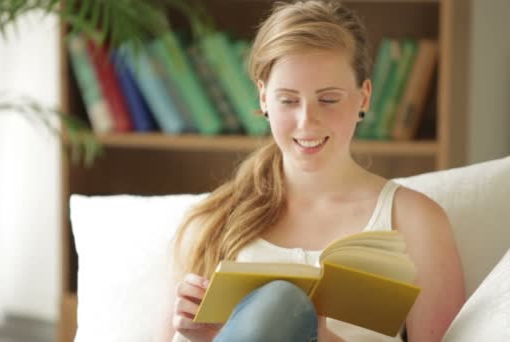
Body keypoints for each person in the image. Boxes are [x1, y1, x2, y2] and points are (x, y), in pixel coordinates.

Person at [156, 1, 465, 341]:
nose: (307, 122)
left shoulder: (416, 222)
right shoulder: (212, 223)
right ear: (263, 99)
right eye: (288, 100)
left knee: (282, 302)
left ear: (363, 98)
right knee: (278, 302)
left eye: (329, 99)